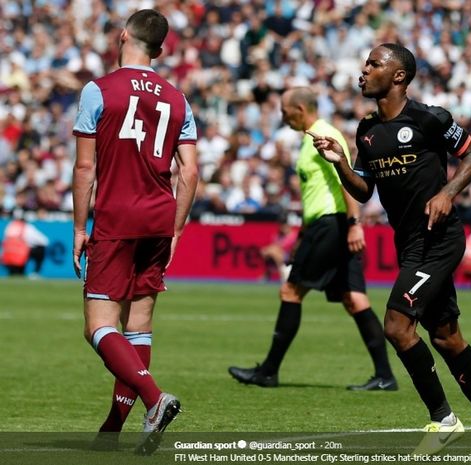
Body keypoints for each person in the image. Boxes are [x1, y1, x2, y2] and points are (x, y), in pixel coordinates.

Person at [310, 44, 471, 456]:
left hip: (439, 240)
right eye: (366, 62)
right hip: (409, 243)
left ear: (399, 76)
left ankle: (444, 420)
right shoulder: (366, 130)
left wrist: (447, 192)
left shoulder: (430, 118)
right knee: (446, 338)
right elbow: (365, 188)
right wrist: (339, 163)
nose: (364, 69)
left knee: (396, 326)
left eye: (374, 64)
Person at [72, 9, 198, 455]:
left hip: (116, 217)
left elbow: (86, 165)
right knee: (138, 327)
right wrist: (178, 225)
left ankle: (154, 398)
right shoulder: (177, 97)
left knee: (98, 328)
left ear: (123, 35)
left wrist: (78, 226)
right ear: (160, 50)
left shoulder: (99, 89)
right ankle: (112, 432)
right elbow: (191, 170)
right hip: (159, 217)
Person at [228, 87, 397, 391]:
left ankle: (268, 372)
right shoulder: (310, 138)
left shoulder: (323, 135)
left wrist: (355, 223)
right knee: (354, 299)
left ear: (301, 110)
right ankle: (385, 376)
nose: (282, 116)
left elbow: (346, 179)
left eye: (284, 111)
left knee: (291, 292)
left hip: (331, 225)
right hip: (328, 225)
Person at [1, 210, 49, 278]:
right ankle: (35, 273)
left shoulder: (10, 226)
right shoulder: (27, 227)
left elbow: (4, 242)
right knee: (40, 249)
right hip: (19, 255)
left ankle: (17, 272)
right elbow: (45, 241)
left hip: (9, 256)